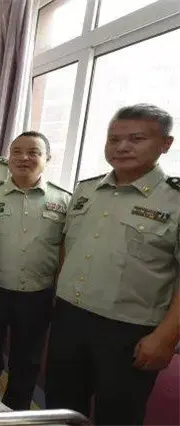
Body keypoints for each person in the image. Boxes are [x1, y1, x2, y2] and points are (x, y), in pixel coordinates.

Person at [45, 104, 180, 425]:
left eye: (136, 139)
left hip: (129, 331)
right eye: (114, 139)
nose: (122, 147)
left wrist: (166, 337)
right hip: (70, 318)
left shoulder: (174, 200)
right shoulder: (86, 190)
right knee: (61, 407)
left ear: (166, 144)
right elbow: (69, 246)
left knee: (118, 415)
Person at [0, 131, 71, 410]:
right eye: (16, 152)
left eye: (33, 152)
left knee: (27, 360)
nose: (23, 158)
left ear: (47, 158)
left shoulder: (64, 200)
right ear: (8, 157)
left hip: (38, 295)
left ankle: (16, 412)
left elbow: (66, 249)